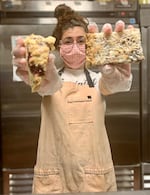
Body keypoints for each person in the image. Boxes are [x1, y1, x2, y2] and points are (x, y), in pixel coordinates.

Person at [12, 4, 133, 194]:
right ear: (58, 46)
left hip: (95, 179)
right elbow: (49, 87)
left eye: (81, 40)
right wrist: (39, 77)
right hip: (54, 179)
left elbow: (114, 85)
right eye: (68, 41)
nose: (75, 47)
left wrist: (120, 79)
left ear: (89, 43)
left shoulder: (99, 79)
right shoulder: (49, 79)